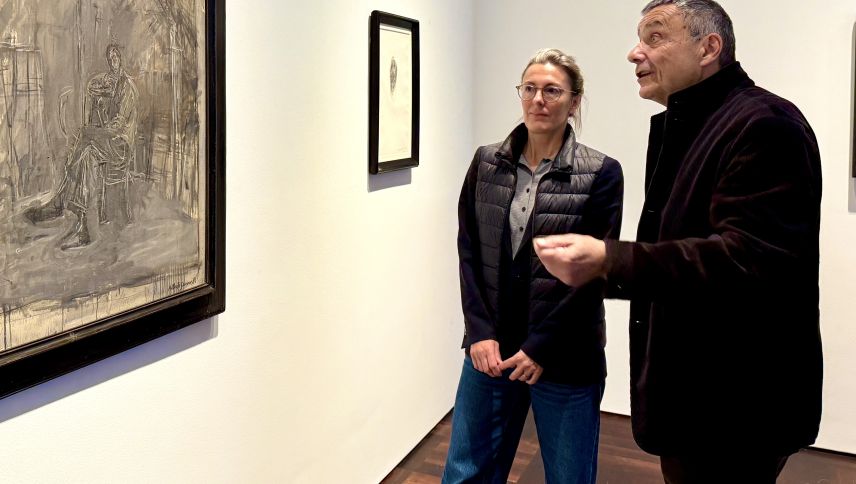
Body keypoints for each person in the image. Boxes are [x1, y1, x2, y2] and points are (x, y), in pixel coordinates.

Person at [533, 1, 822, 482]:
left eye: (655, 36)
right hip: (699, 397)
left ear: (709, 47)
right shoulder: (696, 126)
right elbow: (687, 248)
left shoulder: (764, 125)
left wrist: (609, 260)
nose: (634, 53)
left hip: (736, 406)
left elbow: (746, 260)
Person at [443, 48, 623, 484]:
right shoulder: (487, 162)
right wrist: (480, 333)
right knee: (466, 473)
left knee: (569, 476)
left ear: (574, 102)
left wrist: (541, 347)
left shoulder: (601, 172)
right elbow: (470, 252)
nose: (538, 99)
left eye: (552, 90)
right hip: (491, 351)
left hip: (564, 356)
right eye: (530, 88)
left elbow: (593, 274)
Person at [25, 43, 138, 249]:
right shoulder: (109, 82)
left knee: (86, 134)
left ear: (121, 59)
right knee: (86, 156)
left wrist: (97, 129)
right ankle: (83, 227)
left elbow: (117, 126)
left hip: (121, 146)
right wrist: (98, 96)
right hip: (107, 143)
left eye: (116, 57)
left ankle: (60, 202)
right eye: (110, 57)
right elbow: (94, 90)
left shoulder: (127, 87)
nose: (112, 61)